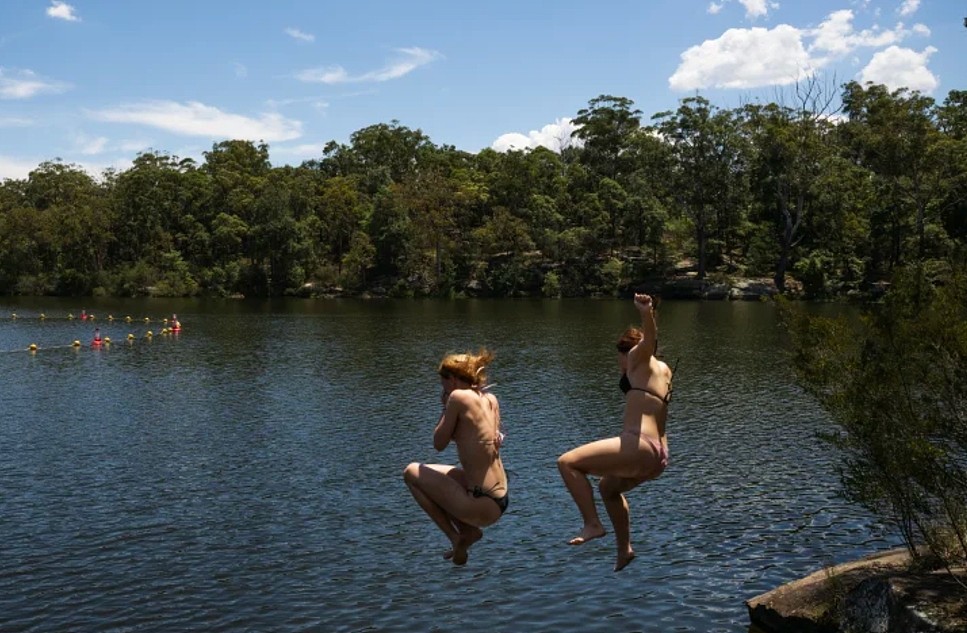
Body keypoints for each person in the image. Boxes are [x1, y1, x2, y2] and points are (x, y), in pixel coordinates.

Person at [557, 293, 673, 571]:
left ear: (626, 352)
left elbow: (647, 341)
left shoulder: (636, 358)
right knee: (607, 487)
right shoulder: (664, 371)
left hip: (639, 445)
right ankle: (624, 549)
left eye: (618, 359)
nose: (619, 365)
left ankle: (592, 524)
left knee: (567, 462)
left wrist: (646, 312)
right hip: (658, 457)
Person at [403, 348, 508, 566]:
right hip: (498, 498)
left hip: (479, 503)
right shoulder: (490, 399)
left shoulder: (458, 397)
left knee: (411, 472)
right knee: (433, 474)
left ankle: (458, 536)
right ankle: (468, 531)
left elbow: (438, 444)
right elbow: (481, 436)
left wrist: (444, 407)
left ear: (450, 379)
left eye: (442, 381)